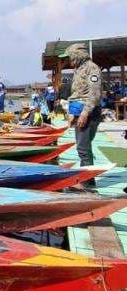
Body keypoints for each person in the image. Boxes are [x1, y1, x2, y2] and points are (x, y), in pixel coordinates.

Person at [60, 43, 102, 186]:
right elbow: (77, 94)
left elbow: (94, 93)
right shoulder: (79, 69)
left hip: (88, 112)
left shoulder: (92, 68)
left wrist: (84, 113)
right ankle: (87, 178)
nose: (70, 62)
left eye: (71, 58)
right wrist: (72, 113)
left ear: (77, 55)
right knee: (83, 147)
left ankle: (88, 182)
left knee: (83, 149)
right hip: (79, 111)